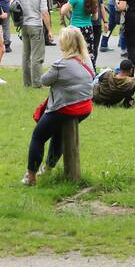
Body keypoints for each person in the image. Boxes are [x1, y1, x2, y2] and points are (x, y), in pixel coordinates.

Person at [22, 27, 94, 186]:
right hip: (85, 106)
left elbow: (44, 80)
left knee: (38, 136)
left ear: (65, 43)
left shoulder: (61, 64)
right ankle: (48, 168)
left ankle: (31, 176)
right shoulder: (87, 59)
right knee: (59, 134)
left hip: (65, 108)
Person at [19, 0, 54, 88]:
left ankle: (27, 82)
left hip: (24, 24)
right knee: (37, 55)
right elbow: (44, 12)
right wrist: (49, 30)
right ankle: (37, 83)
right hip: (36, 25)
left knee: (26, 54)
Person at [61, 0, 97, 70]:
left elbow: (63, 11)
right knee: (88, 52)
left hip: (76, 28)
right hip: (88, 28)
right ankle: (90, 71)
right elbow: (95, 17)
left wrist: (65, 4)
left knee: (74, 51)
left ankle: (75, 70)